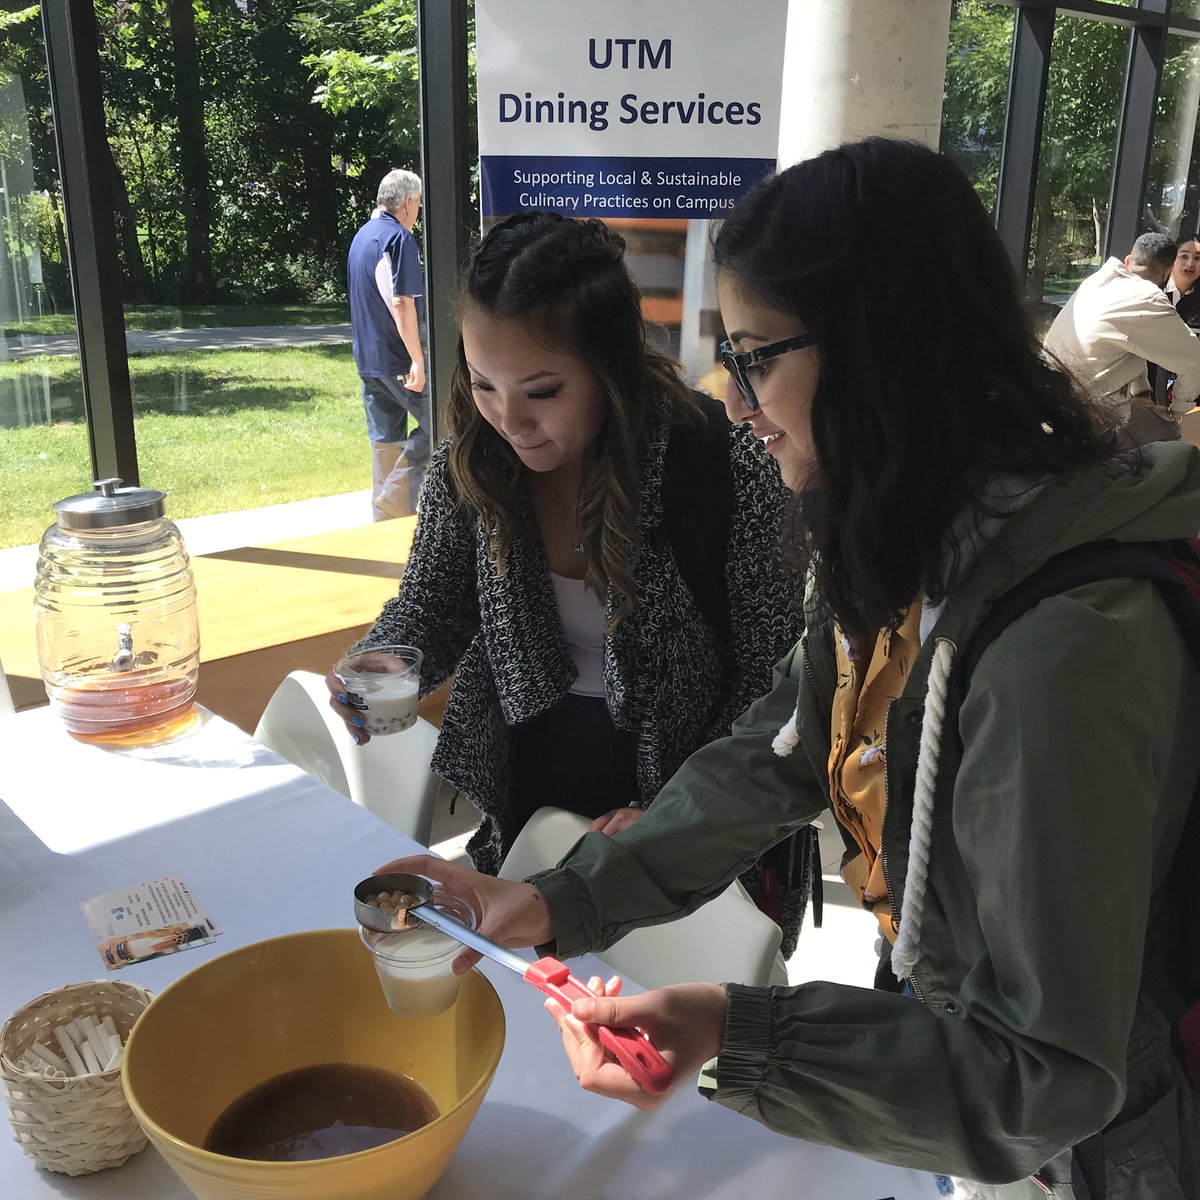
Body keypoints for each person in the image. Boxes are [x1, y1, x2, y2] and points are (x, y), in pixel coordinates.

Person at [379, 140, 1200, 1198]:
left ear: (882, 352)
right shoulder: (913, 543)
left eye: (757, 354)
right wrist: (548, 903)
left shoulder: (1064, 650)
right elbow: (775, 750)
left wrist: (735, 1033)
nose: (734, 397)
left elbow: (1038, 1080)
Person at [331, 211, 813, 951]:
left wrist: (672, 812)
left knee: (669, 1017)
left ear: (612, 367)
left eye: (543, 390)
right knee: (537, 981)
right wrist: (384, 660)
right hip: (530, 773)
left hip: (700, 783)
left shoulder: (724, 463)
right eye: (484, 384)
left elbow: (771, 684)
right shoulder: (474, 459)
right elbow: (431, 604)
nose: (508, 420)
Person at [1044, 231, 1200, 446]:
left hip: (1049, 398)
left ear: (1128, 260)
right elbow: (1194, 359)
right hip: (1084, 412)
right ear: (1167, 272)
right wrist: (1178, 411)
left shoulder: (1095, 282)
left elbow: (1132, 341)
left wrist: (1141, 395)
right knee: (1169, 431)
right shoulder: (1147, 299)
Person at [347, 168, 431, 520]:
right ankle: (394, 501)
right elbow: (401, 302)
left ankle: (383, 522)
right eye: (420, 204)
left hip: (368, 360)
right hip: (397, 359)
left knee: (385, 441)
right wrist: (418, 360)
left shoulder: (362, 237)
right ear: (409, 203)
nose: (419, 212)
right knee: (443, 424)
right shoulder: (398, 239)